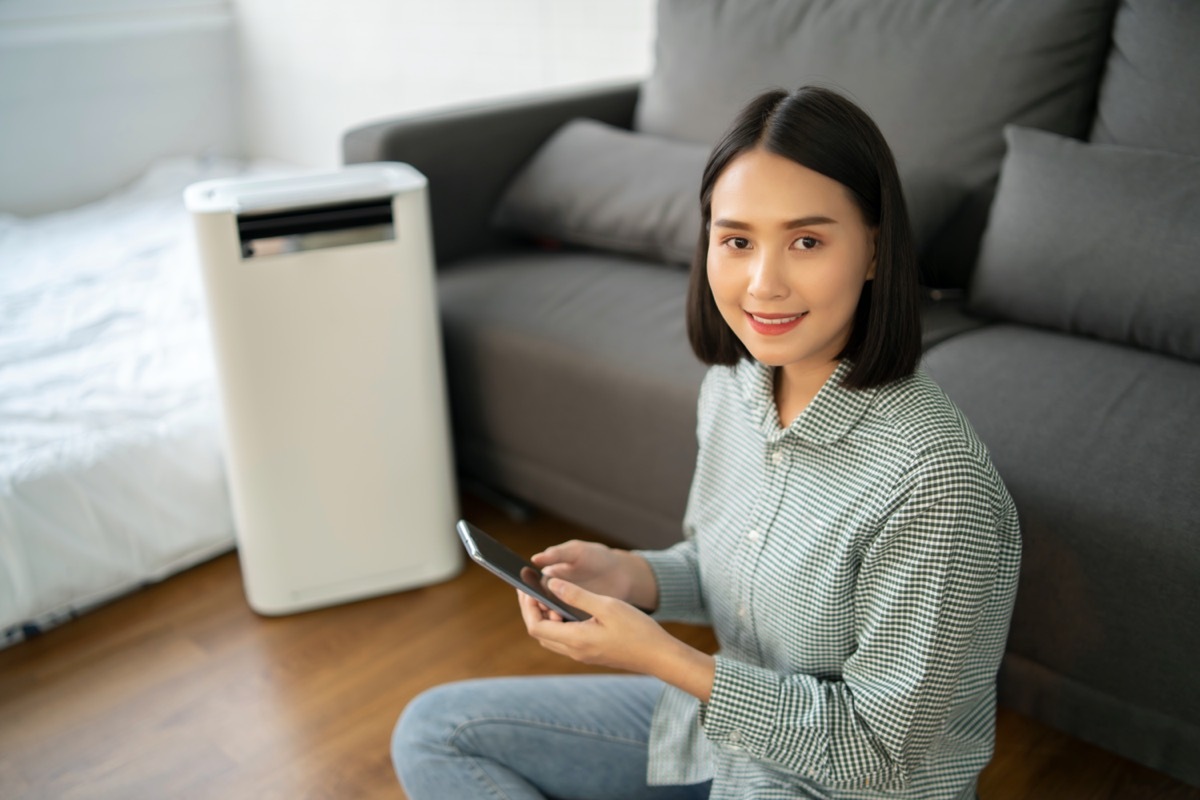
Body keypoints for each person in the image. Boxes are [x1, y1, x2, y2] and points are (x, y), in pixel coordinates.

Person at [391, 85, 1021, 800]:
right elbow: (745, 572)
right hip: (727, 741)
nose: (763, 283)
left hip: (841, 784)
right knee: (437, 730)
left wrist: (664, 659)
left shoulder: (936, 485)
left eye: (807, 241)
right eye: (737, 240)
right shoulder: (736, 387)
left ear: (875, 251)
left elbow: (879, 755)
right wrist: (636, 577)